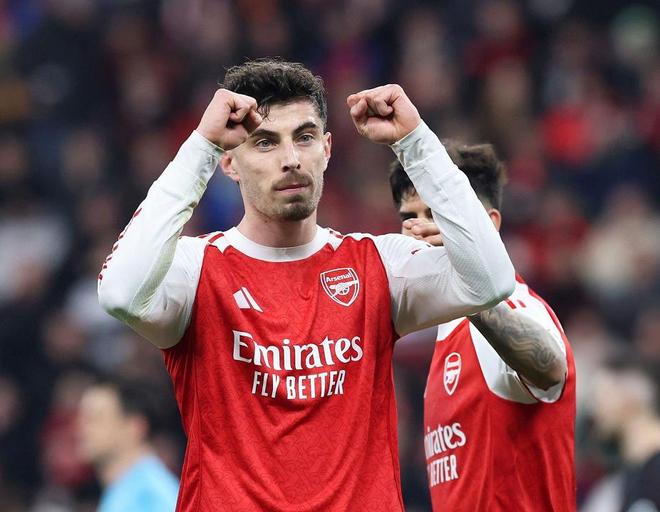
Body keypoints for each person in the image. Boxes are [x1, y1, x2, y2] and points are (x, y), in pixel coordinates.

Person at [97, 58, 515, 510]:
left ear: (327, 148)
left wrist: (415, 141)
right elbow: (120, 294)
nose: (291, 159)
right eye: (265, 143)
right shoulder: (196, 270)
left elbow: (491, 281)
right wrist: (200, 148)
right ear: (229, 162)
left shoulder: (378, 263)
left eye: (305, 137)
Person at [389, 142, 576, 511]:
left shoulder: (516, 306)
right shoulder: (447, 331)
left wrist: (469, 281)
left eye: (436, 213)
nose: (420, 228)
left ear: (488, 225)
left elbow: (552, 367)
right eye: (409, 216)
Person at [78, 377, 179, 512]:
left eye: (96, 418)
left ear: (135, 427)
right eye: (82, 419)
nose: (82, 429)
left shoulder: (152, 498)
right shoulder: (123, 491)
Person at [581, 357, 660, 512]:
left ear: (631, 395)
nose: (592, 409)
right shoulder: (629, 475)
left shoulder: (653, 469)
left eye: (600, 395)